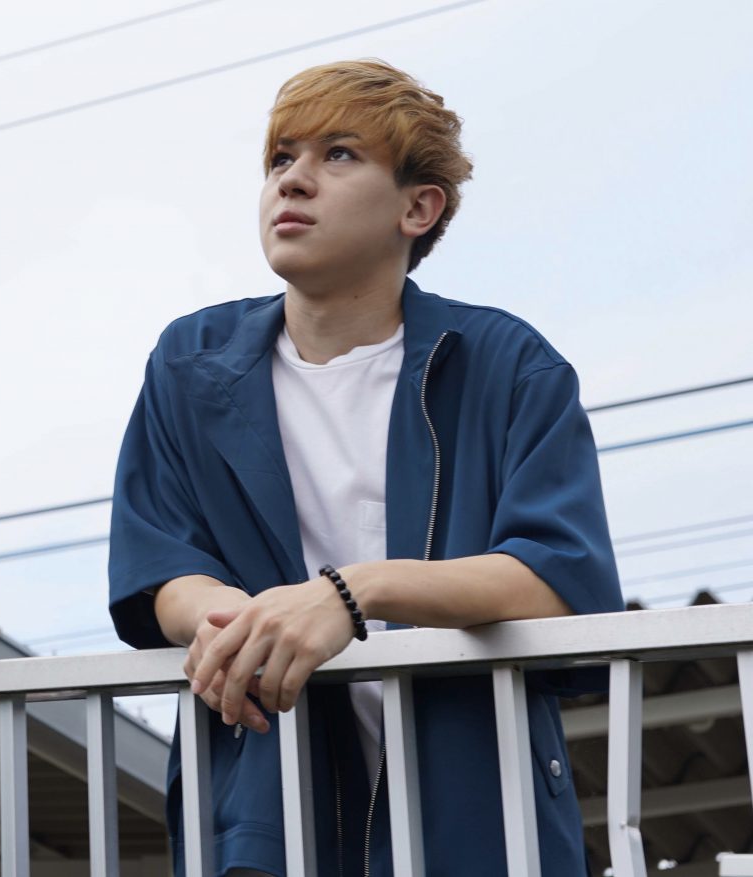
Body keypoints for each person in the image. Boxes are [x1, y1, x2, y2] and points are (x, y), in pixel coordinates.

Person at [107, 59, 623, 876]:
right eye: (281, 158)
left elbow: (560, 580)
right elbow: (161, 564)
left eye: (338, 154)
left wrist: (351, 594)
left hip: (479, 813)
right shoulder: (189, 364)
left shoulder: (507, 364)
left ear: (418, 208)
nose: (293, 180)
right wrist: (237, 621)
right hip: (267, 808)